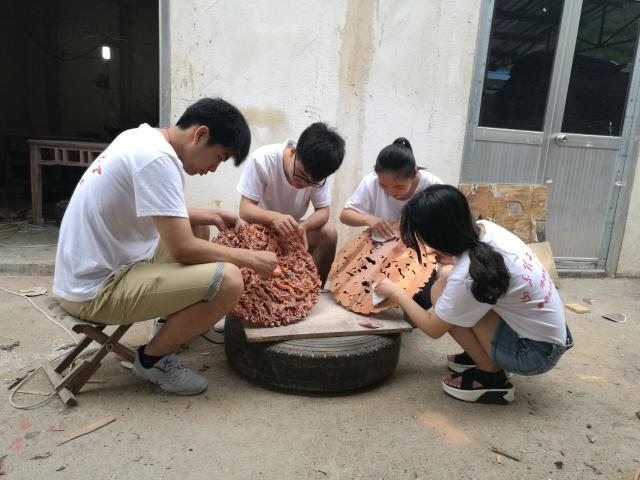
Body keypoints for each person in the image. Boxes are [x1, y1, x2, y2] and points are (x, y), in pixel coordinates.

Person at [53, 98, 278, 395]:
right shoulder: (158, 160)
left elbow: (151, 209)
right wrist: (251, 258)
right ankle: (152, 360)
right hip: (94, 290)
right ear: (200, 134)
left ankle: (169, 329)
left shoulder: (140, 137)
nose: (213, 168)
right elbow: (183, 249)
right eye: (219, 157)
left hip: (90, 269)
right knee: (230, 281)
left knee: (198, 224)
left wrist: (209, 214)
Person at [373, 184, 573, 404]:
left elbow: (433, 328)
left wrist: (396, 292)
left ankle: (490, 377)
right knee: (447, 279)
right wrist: (450, 260)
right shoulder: (486, 229)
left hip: (533, 355)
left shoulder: (468, 275)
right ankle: (484, 352)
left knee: (443, 296)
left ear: (438, 237)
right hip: (549, 337)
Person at [236, 122, 345, 285]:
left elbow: (323, 211)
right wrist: (273, 218)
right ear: (293, 151)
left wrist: (303, 227)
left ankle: (312, 290)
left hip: (291, 228)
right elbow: (245, 209)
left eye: (311, 183)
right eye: (300, 175)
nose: (303, 184)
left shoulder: (320, 173)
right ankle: (247, 289)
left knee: (328, 233)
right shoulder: (263, 160)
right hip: (258, 225)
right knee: (239, 228)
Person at [340, 137, 442, 309]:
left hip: (419, 253)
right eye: (383, 186)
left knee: (421, 300)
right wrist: (368, 219)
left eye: (398, 187)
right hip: (380, 250)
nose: (390, 192)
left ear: (414, 173)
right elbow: (345, 215)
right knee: (357, 293)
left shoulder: (433, 186)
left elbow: (443, 228)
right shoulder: (371, 182)